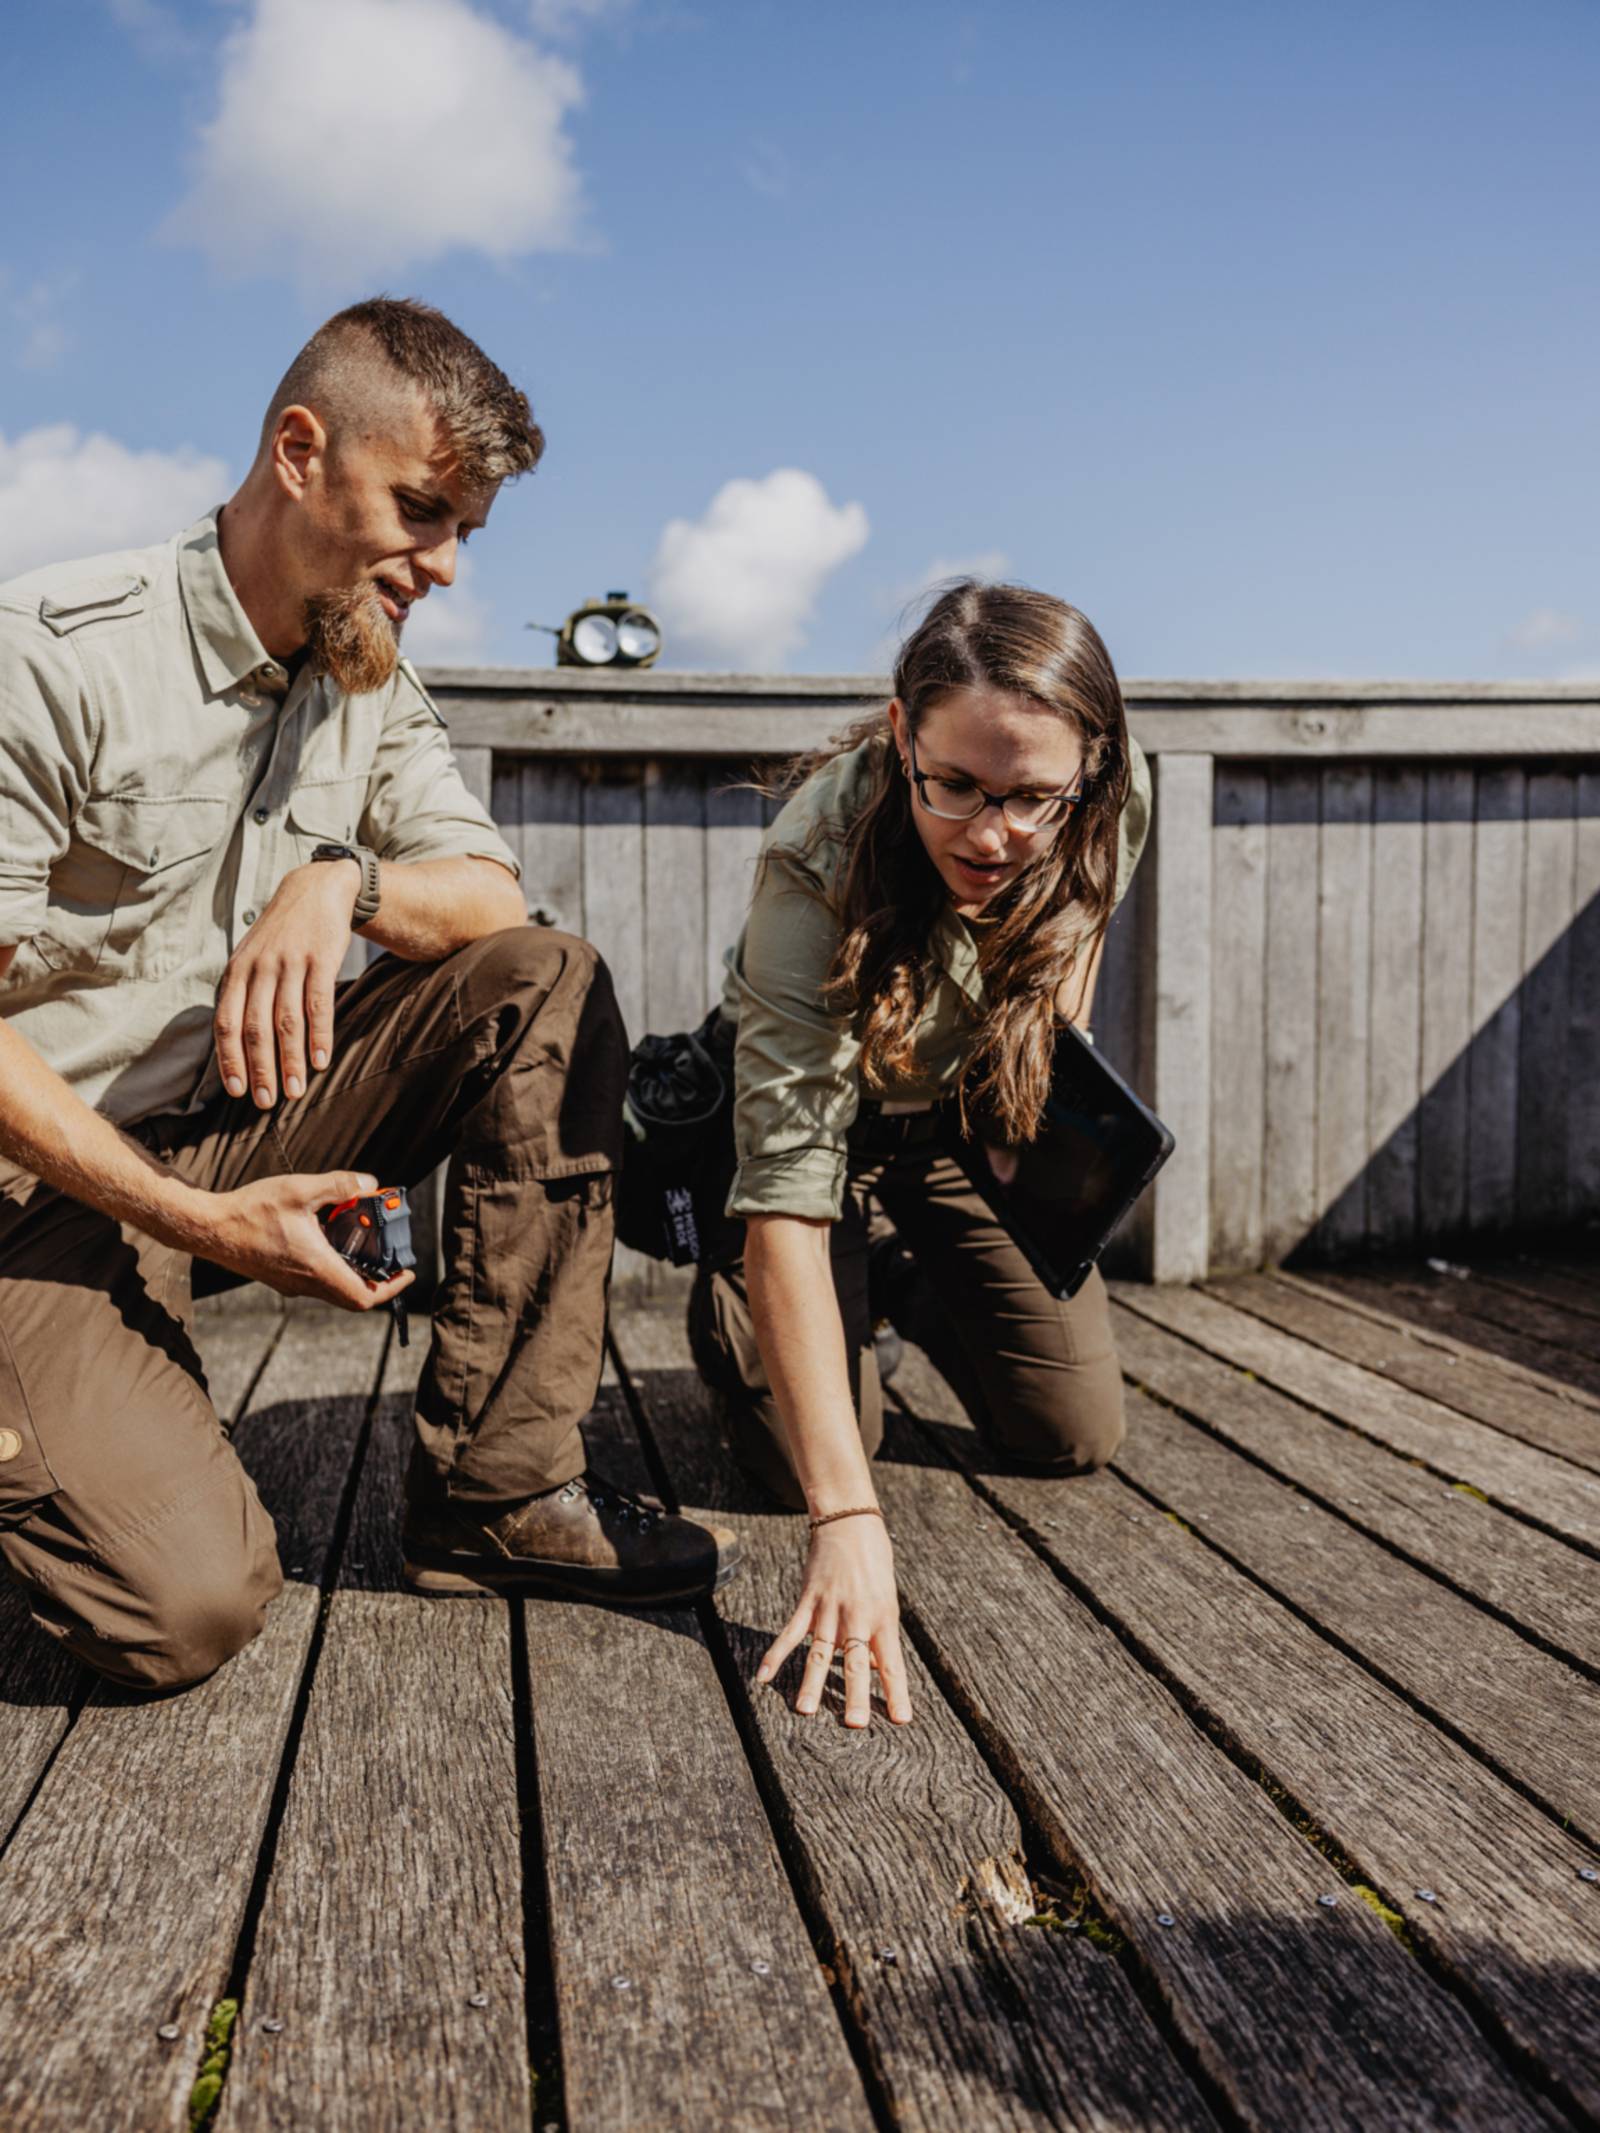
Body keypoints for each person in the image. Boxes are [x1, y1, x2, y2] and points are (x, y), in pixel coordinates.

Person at [0, 297, 738, 1694]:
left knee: (544, 984)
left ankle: (497, 1497)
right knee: (186, 1607)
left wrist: (342, 880)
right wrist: (202, 1222)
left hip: (207, 1127)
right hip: (29, 1186)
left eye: (467, 529)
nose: (447, 565)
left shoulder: (360, 668)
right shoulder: (49, 656)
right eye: (423, 509)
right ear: (299, 450)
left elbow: (493, 903)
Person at [687, 581, 1150, 1729]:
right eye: (955, 787)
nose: (993, 835)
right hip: (816, 1148)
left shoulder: (1112, 797)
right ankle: (749, 1309)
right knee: (822, 1453)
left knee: (1071, 1435)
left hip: (944, 1125)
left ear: (1090, 765)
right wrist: (846, 1523)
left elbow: (1072, 936)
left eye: (1032, 798)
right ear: (902, 737)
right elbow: (788, 1201)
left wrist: (1027, 1121)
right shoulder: (814, 859)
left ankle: (895, 1279)